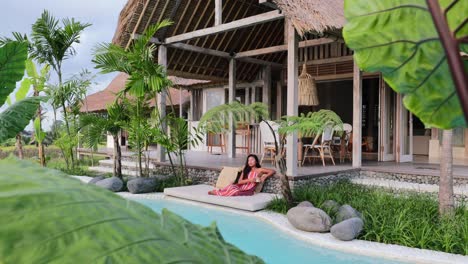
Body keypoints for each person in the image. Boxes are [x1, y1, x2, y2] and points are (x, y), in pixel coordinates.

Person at [208, 154, 275, 196]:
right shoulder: (246, 169)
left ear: (256, 161)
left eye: (252, 160)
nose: (250, 162)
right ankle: (219, 192)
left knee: (235, 192)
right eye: (249, 160)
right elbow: (240, 182)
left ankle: (217, 193)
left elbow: (272, 171)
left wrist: (265, 176)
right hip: (242, 187)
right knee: (231, 186)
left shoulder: (260, 170)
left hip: (249, 190)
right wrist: (250, 180)